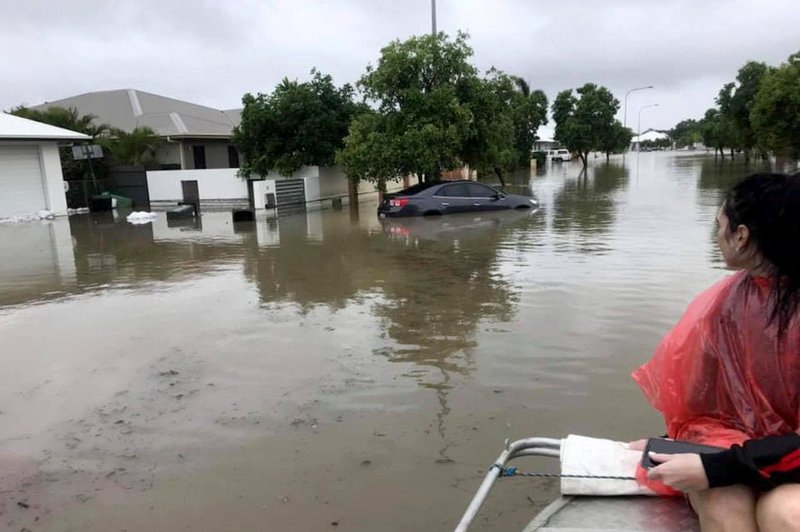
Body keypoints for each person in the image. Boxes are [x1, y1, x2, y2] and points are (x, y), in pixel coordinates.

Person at [631, 173, 800, 532]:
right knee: (725, 500)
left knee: (786, 514)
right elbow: (700, 406)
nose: (716, 235)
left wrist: (716, 467)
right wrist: (672, 445)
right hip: (746, 449)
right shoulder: (722, 305)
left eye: (718, 225)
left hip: (785, 459)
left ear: (740, 236)